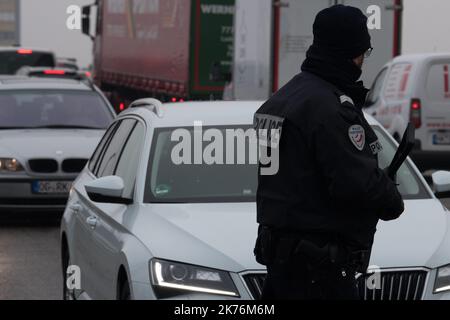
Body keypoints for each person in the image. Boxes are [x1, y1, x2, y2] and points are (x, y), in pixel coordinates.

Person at [253, 5, 404, 300]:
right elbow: (355, 183)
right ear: (349, 53)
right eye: (363, 53)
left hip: (283, 266)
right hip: (319, 274)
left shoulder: (281, 100)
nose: (362, 62)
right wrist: (389, 196)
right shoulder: (329, 110)